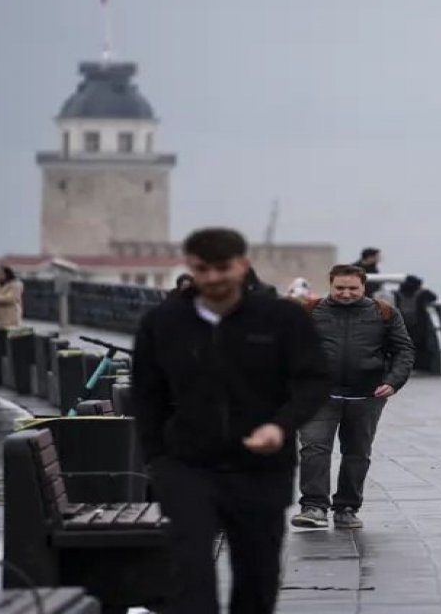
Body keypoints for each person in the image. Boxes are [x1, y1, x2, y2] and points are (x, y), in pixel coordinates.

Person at [130, 227, 330, 614]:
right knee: (189, 574)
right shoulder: (163, 322)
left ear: (242, 265)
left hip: (261, 470)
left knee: (257, 577)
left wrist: (280, 426)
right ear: (190, 267)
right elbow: (146, 394)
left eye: (222, 268)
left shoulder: (281, 319)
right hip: (187, 467)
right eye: (202, 269)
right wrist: (158, 460)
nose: (212, 278)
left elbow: (313, 380)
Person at [291, 264, 415, 529]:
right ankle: (314, 506)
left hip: (367, 395)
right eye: (340, 288)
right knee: (313, 448)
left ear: (363, 286)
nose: (346, 293)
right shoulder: (309, 311)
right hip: (319, 395)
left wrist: (393, 381)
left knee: (357, 453)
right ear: (330, 285)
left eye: (352, 288)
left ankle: (346, 507)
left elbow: (403, 350)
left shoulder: (384, 313)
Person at [394, 275, 438, 372]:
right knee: (421, 348)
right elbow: (434, 297)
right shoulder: (421, 294)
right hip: (419, 326)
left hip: (402, 325)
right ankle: (421, 367)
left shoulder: (398, 294)